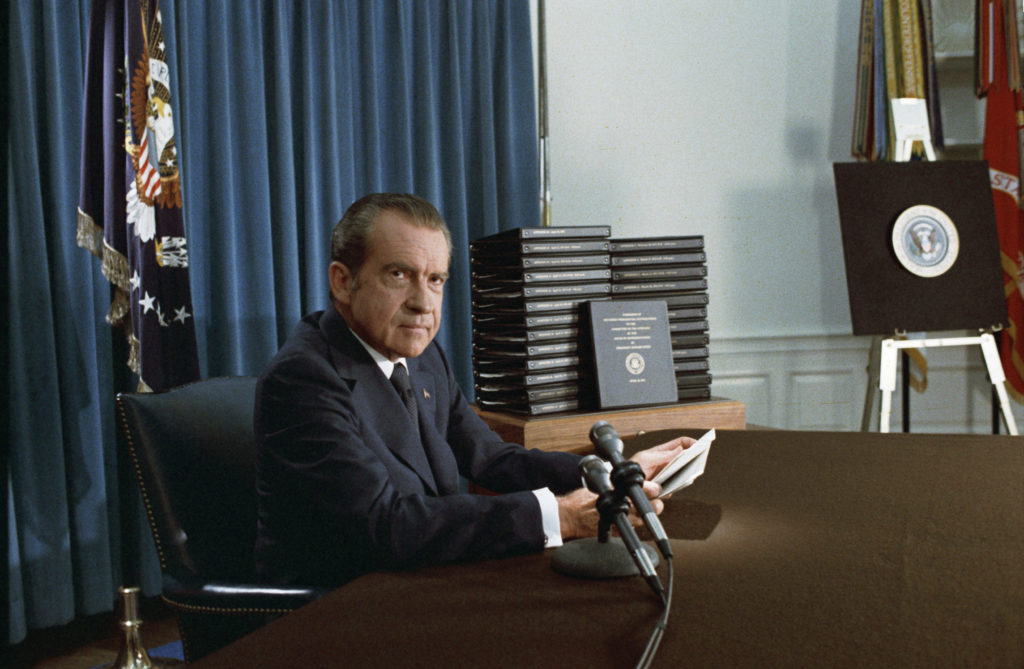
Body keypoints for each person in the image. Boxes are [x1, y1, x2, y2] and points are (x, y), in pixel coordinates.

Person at [254, 193, 692, 587]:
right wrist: (559, 516)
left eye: (435, 280)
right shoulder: (302, 379)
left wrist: (610, 473)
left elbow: (491, 457)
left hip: (426, 577)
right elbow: (385, 525)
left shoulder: (421, 353)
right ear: (343, 282)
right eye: (399, 274)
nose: (423, 303)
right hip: (339, 608)